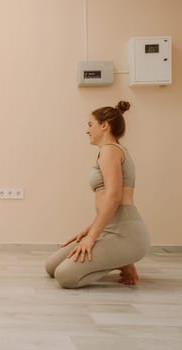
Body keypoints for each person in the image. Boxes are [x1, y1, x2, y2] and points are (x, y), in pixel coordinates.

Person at [45, 101, 150, 288]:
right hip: (110, 229)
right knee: (51, 267)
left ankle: (123, 261)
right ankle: (119, 260)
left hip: (126, 234)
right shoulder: (108, 151)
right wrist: (88, 230)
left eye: (90, 124)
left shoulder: (110, 150)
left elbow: (114, 197)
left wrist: (91, 237)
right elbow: (108, 204)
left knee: (65, 276)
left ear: (104, 126)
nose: (87, 130)